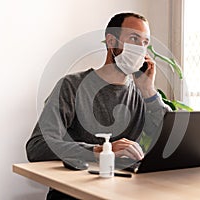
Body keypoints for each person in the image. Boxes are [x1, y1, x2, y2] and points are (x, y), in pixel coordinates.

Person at [26, 12, 171, 200]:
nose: (140, 49)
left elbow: (169, 140)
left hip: (123, 192)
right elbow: (37, 147)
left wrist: (149, 93)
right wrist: (100, 150)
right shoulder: (71, 86)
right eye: (134, 39)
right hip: (75, 194)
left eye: (145, 43)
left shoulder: (141, 92)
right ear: (111, 41)